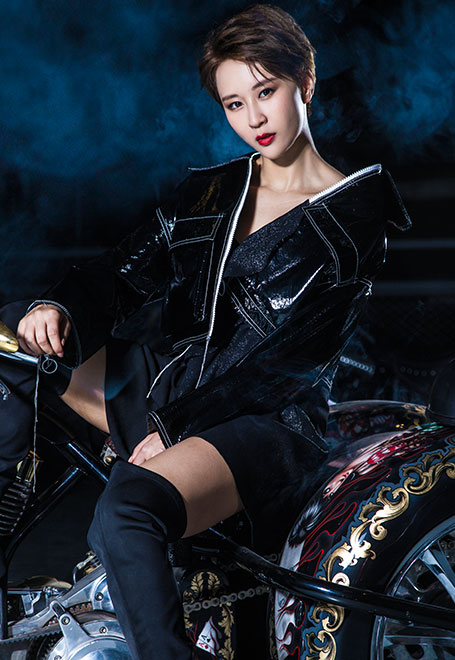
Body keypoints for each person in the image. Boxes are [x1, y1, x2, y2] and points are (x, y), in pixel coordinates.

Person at [0, 5, 411, 658]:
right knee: (12, 333)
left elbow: (286, 364)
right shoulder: (216, 192)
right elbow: (125, 269)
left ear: (305, 82)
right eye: (233, 103)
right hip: (174, 386)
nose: (253, 118)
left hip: (267, 421)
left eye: (266, 92)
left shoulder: (351, 218)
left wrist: (172, 430)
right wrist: (60, 308)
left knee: (126, 512)